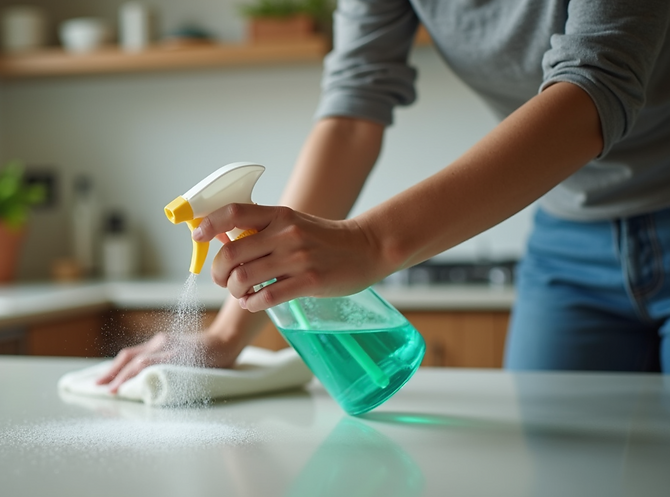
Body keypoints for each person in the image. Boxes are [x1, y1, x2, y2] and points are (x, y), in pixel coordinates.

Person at [100, 0, 670, 391]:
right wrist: (227, 333)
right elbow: (353, 110)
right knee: (561, 494)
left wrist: (370, 243)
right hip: (567, 235)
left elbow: (597, 83)